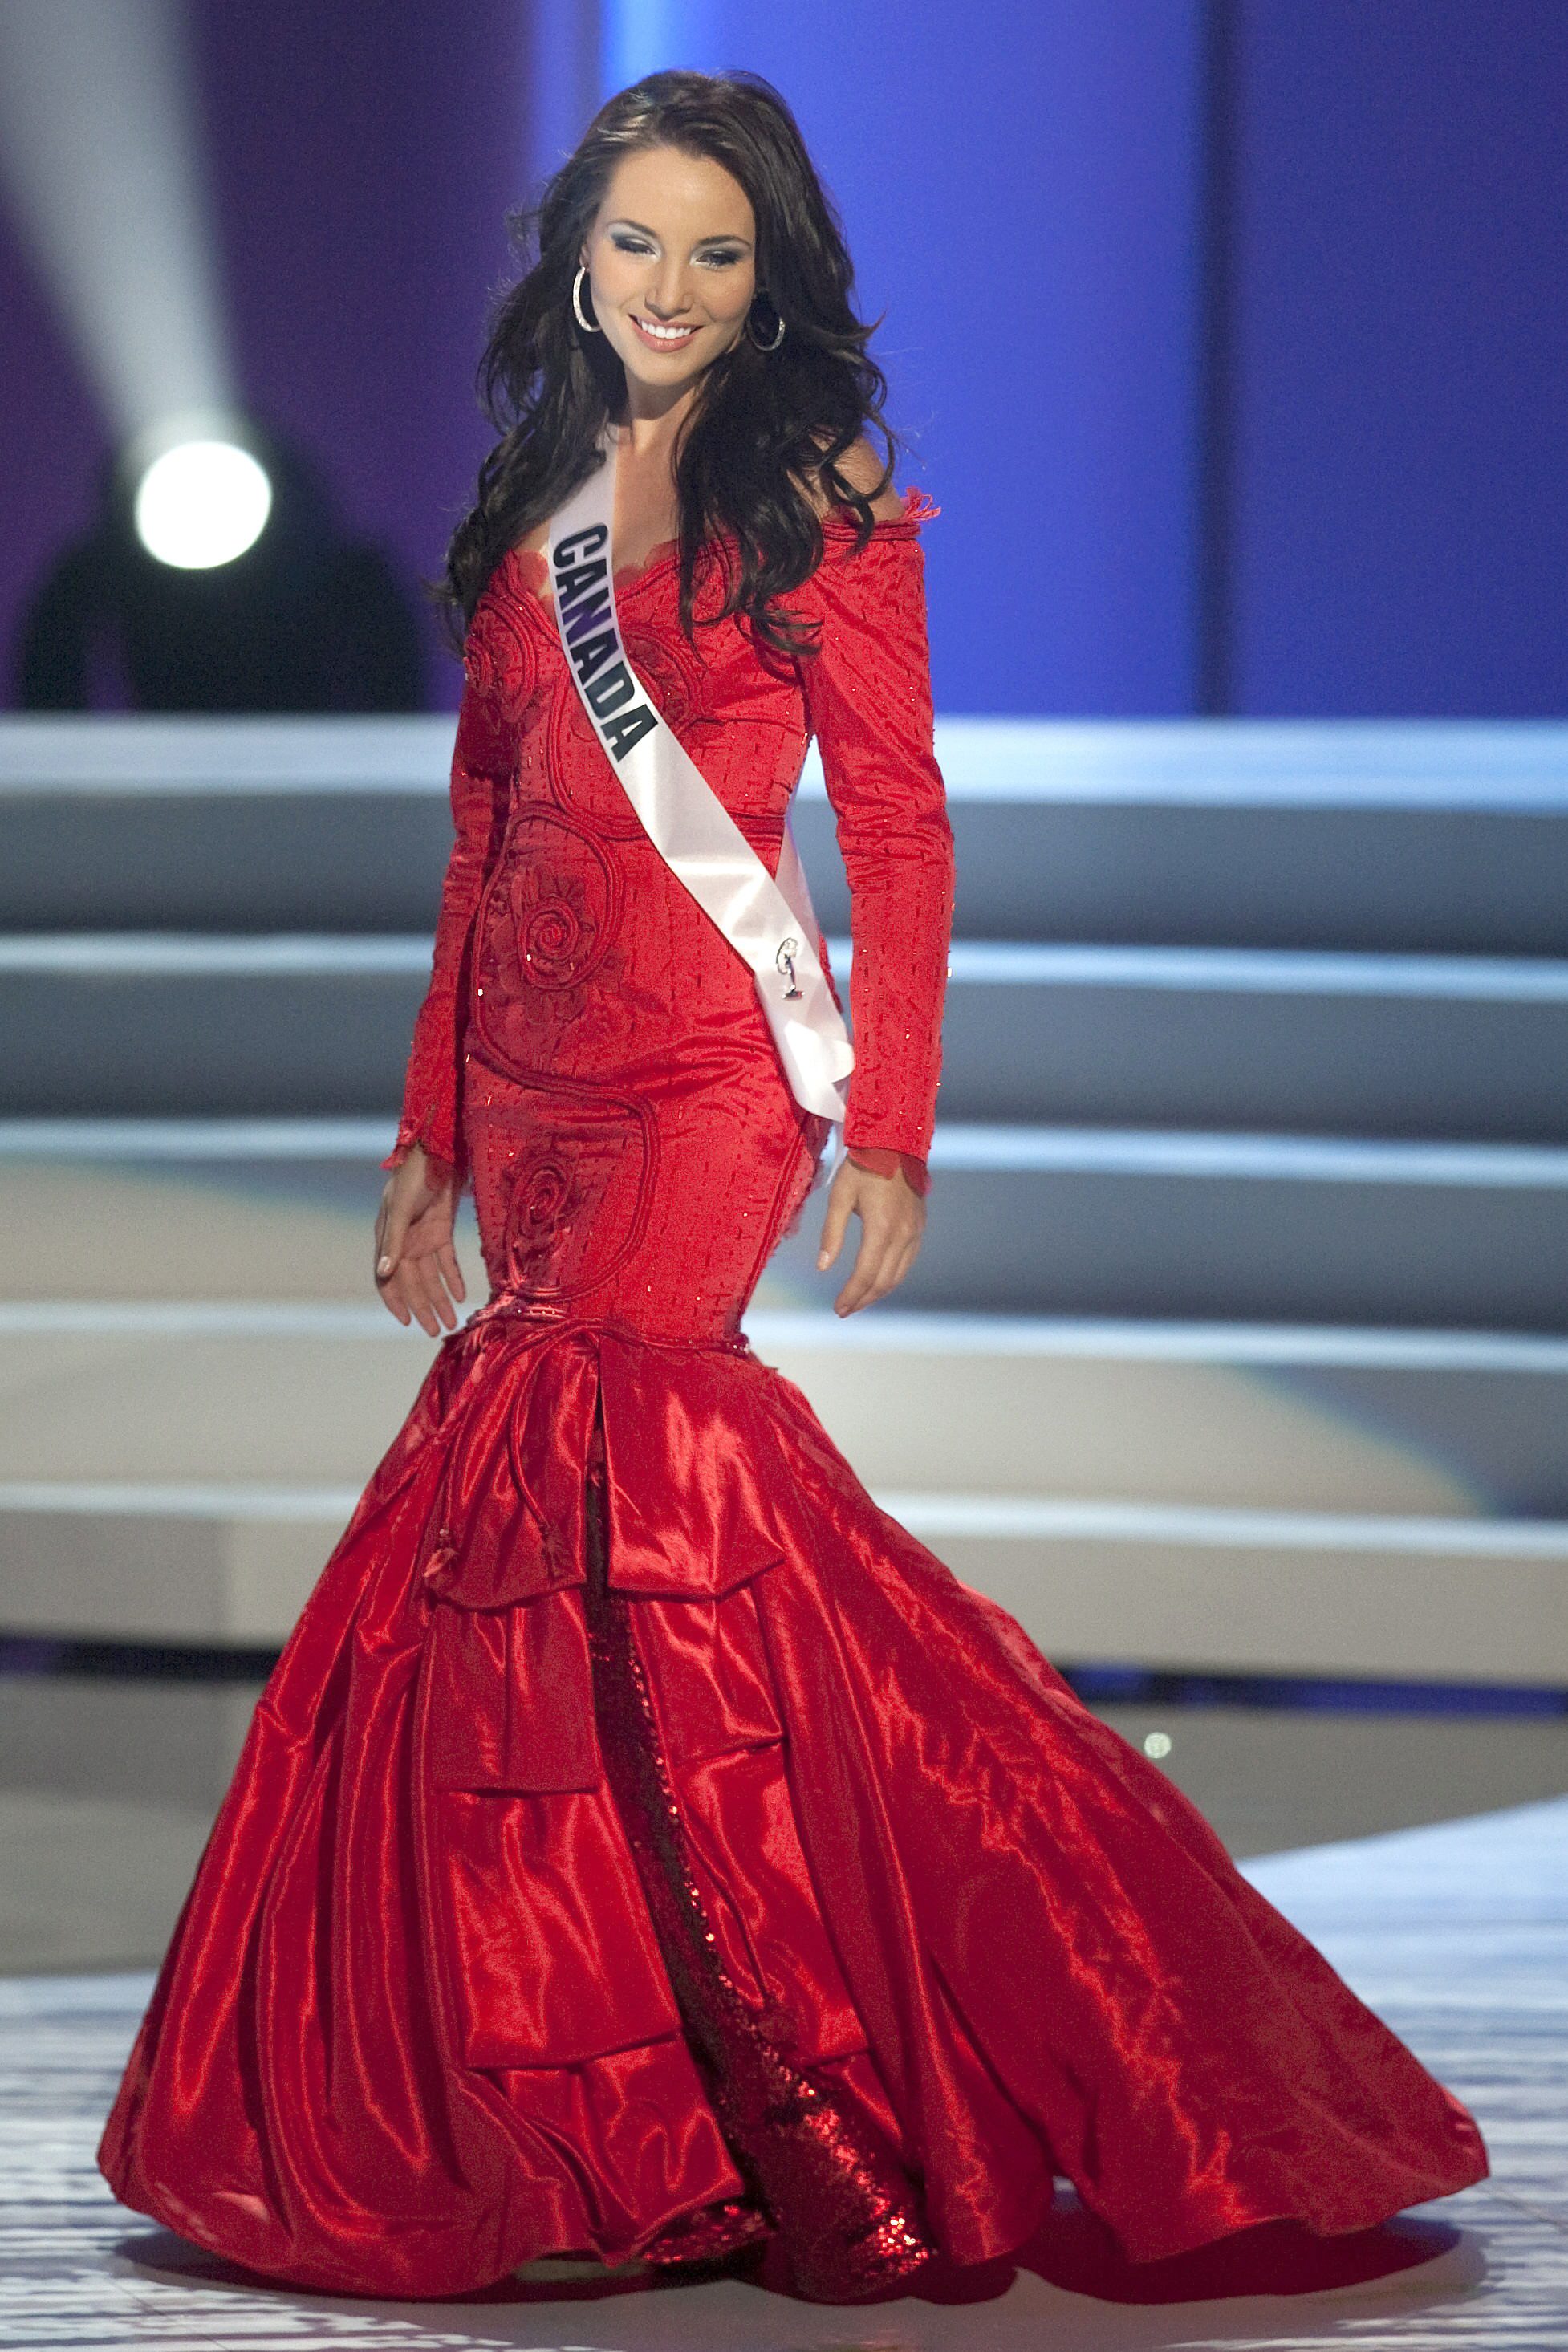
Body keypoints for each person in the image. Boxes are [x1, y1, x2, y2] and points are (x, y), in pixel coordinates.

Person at [98, 69, 1486, 2309]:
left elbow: (904, 824)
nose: (670, 288)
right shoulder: (532, 497)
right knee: (542, 1549)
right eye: (638, 243)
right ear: (579, 252)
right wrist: (422, 1129)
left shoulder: (810, 482)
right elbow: (480, 843)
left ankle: (853, 2037)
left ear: (771, 282)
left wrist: (890, 1119)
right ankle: (579, 2092)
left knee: (640, 1477)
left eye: (715, 253)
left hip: (700, 1082)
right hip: (531, 1089)